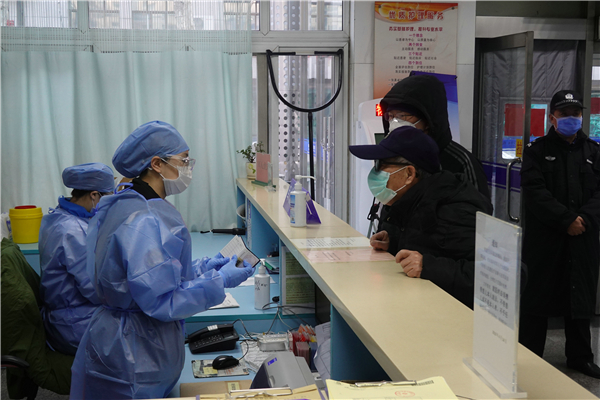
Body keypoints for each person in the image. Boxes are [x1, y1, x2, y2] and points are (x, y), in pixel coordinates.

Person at [70, 121, 255, 399]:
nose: (188, 168)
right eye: (184, 160)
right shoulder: (144, 219)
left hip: (123, 337)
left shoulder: (128, 203)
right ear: (157, 164)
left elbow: (151, 274)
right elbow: (162, 300)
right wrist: (220, 280)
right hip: (135, 351)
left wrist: (203, 268)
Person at [349, 126, 493, 308]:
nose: (375, 172)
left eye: (382, 165)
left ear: (409, 174)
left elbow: (494, 276)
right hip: (412, 306)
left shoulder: (455, 209)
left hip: (449, 317)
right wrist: (392, 241)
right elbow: (426, 243)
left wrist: (428, 266)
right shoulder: (403, 201)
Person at [519, 90, 600, 379]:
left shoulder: (594, 151)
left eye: (575, 114)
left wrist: (584, 220)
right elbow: (535, 192)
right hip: (546, 238)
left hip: (583, 237)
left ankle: (580, 357)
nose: (570, 119)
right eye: (564, 114)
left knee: (580, 297)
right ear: (552, 117)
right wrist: (566, 220)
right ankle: (528, 356)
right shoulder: (536, 151)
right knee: (537, 296)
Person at [39, 162, 114, 356]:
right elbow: (94, 290)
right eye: (108, 197)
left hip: (70, 313)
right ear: (94, 195)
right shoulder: (72, 231)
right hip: (74, 323)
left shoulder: (59, 216)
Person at [379, 74, 490, 199]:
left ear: (428, 121)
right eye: (390, 116)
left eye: (402, 116)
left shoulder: (461, 162)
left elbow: (478, 208)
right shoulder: (394, 156)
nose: (394, 122)